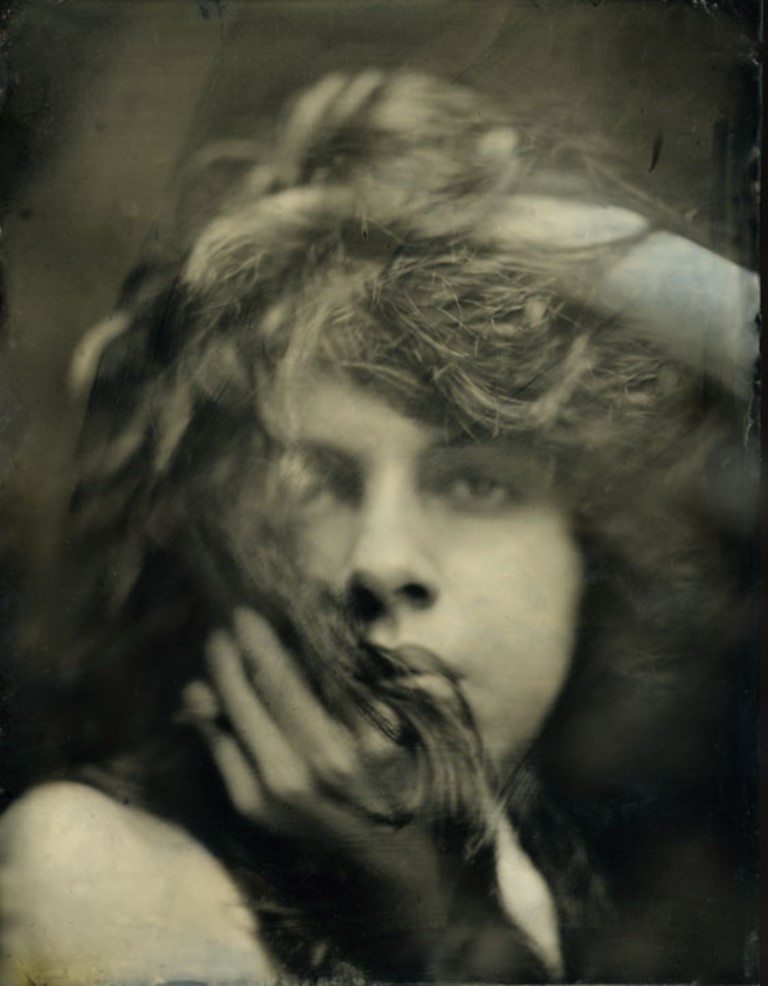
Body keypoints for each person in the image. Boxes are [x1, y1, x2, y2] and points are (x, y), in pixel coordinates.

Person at [0, 70, 758, 985]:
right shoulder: (99, 868)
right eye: (317, 482)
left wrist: (498, 221)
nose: (383, 560)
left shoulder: (612, 868)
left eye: (476, 484)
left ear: (588, 554)